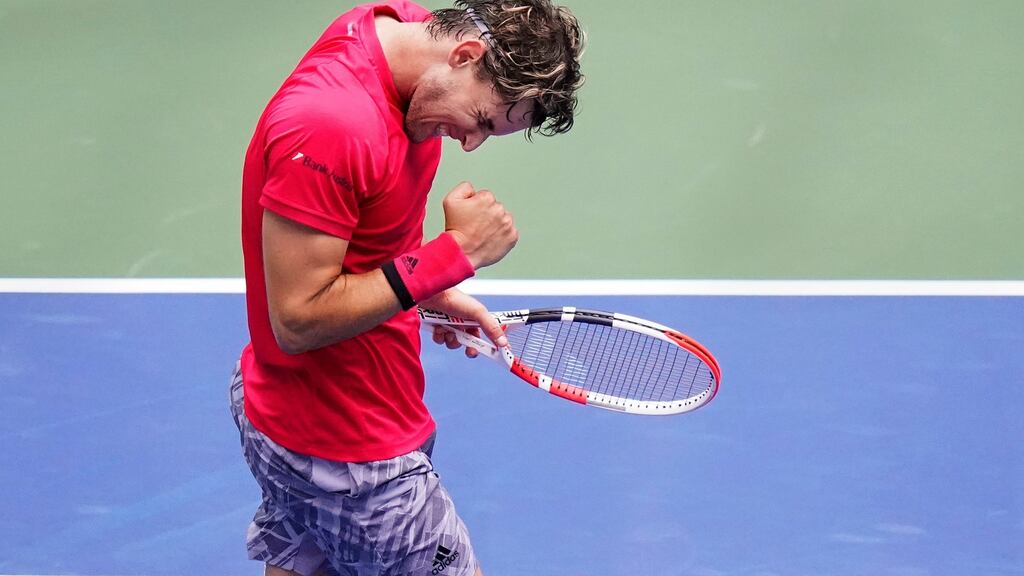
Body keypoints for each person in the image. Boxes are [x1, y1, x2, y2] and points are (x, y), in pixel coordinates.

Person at [230, 1, 584, 575]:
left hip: (290, 414)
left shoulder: (399, 33)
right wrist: (453, 255)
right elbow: (296, 320)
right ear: (464, 55)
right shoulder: (331, 122)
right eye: (485, 120)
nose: (470, 145)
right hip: (349, 448)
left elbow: (361, 240)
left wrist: (431, 292)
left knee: (304, 562)